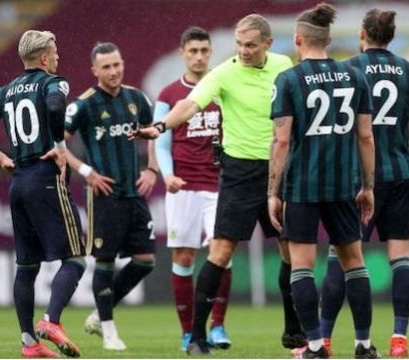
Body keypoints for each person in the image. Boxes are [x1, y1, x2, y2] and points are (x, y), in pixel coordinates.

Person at [132, 14, 303, 355]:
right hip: (238, 173)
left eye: (251, 45)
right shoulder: (224, 72)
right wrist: (161, 126)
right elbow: (190, 104)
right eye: (239, 44)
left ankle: (294, 330)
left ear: (268, 44)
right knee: (220, 252)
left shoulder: (285, 65)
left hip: (280, 170)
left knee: (291, 253)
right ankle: (197, 336)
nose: (243, 51)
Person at [0, 30, 85, 358]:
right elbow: (57, 105)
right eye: (54, 52)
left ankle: (29, 343)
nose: (57, 57)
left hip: (19, 184)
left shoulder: (6, 91)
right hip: (46, 177)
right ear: (44, 58)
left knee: (27, 267)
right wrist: (59, 146)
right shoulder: (53, 82)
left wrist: (0, 157)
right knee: (74, 258)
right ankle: (51, 321)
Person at [268, 3, 379, 359]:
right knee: (354, 262)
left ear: (297, 39)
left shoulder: (288, 80)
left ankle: (315, 347)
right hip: (343, 185)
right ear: (329, 39)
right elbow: (366, 137)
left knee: (302, 266)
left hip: (302, 186)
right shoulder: (354, 76)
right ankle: (364, 346)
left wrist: (273, 191)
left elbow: (282, 141)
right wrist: (369, 186)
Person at [319, 8, 409, 358]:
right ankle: (399, 339)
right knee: (401, 258)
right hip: (398, 173)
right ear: (391, 36)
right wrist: (406, 162)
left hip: (356, 177)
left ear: (363, 33)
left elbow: (341, 125)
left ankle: (325, 341)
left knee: (343, 258)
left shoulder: (349, 69)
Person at [64, 42, 158, 351]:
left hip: (134, 192)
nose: (114, 71)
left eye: (117, 64)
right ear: (95, 71)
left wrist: (151, 170)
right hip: (103, 194)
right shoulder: (84, 105)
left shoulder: (137, 99)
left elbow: (152, 133)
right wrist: (86, 171)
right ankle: (108, 331)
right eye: (106, 67)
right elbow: (57, 145)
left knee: (145, 261)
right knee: (105, 263)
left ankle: (98, 314)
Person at [154, 26, 232, 352]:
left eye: (204, 50)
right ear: (183, 53)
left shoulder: (224, 89)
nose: (199, 56)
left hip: (218, 186)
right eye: (193, 51)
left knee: (220, 254)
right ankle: (188, 332)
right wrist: (168, 176)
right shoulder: (168, 95)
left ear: (210, 52)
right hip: (183, 186)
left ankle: (217, 326)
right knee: (184, 257)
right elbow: (161, 142)